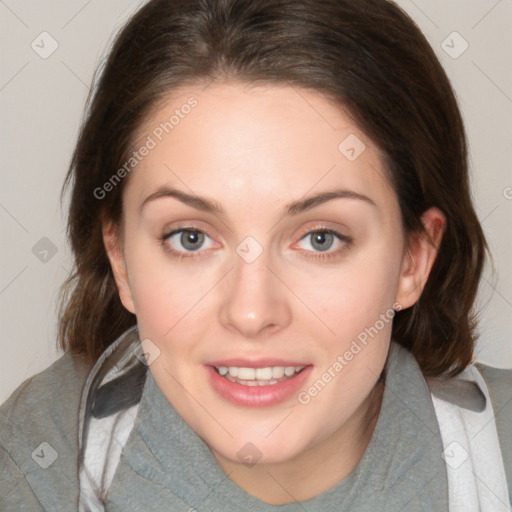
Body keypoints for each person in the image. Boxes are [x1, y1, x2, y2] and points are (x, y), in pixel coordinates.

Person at [1, 0, 511, 510]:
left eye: (321, 239)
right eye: (191, 238)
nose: (251, 312)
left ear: (412, 260)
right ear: (120, 258)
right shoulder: (37, 459)